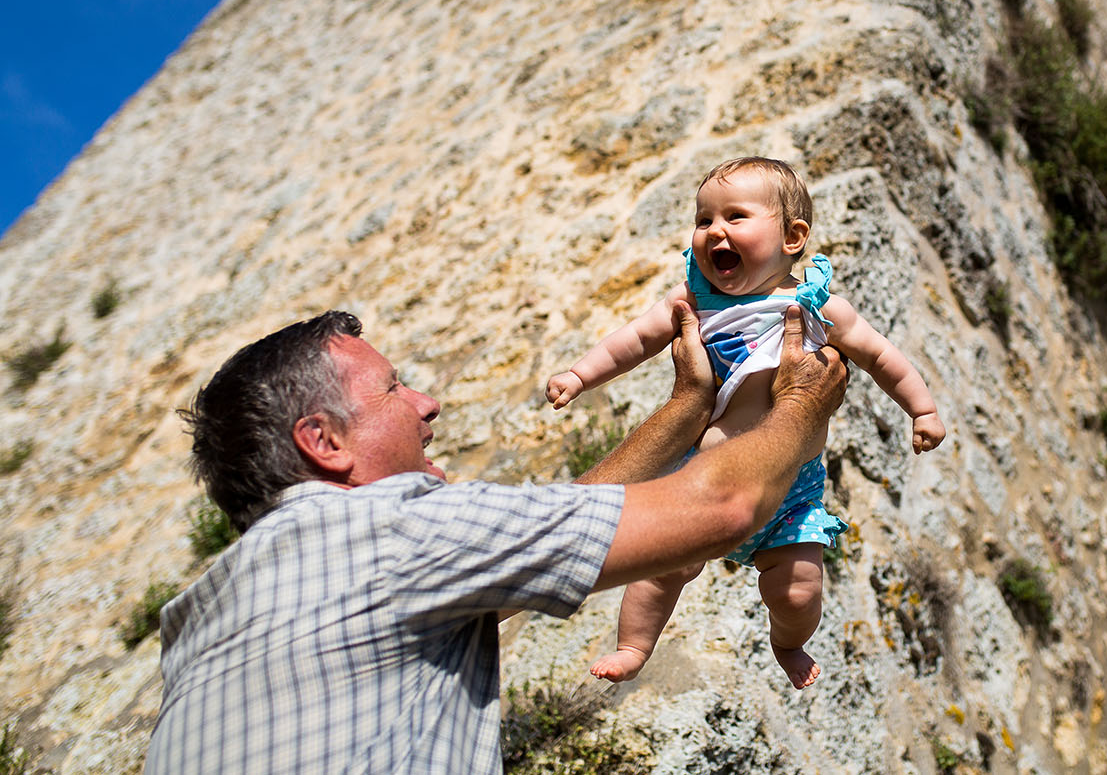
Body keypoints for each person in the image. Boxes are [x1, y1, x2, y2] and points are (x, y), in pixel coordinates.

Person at [144, 302, 846, 775]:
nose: (428, 403)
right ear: (324, 441)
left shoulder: (205, 621)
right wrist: (799, 409)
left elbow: (560, 525)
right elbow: (724, 504)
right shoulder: (384, 533)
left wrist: (687, 407)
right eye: (395, 390)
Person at [547, 156, 944, 690]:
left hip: (790, 489)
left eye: (735, 217)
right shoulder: (694, 304)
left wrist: (922, 409)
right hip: (702, 478)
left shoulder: (817, 307)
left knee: (798, 589)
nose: (715, 231)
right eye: (704, 219)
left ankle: (789, 641)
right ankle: (635, 645)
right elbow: (633, 342)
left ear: (792, 236)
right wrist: (579, 374)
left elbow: (882, 358)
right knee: (663, 569)